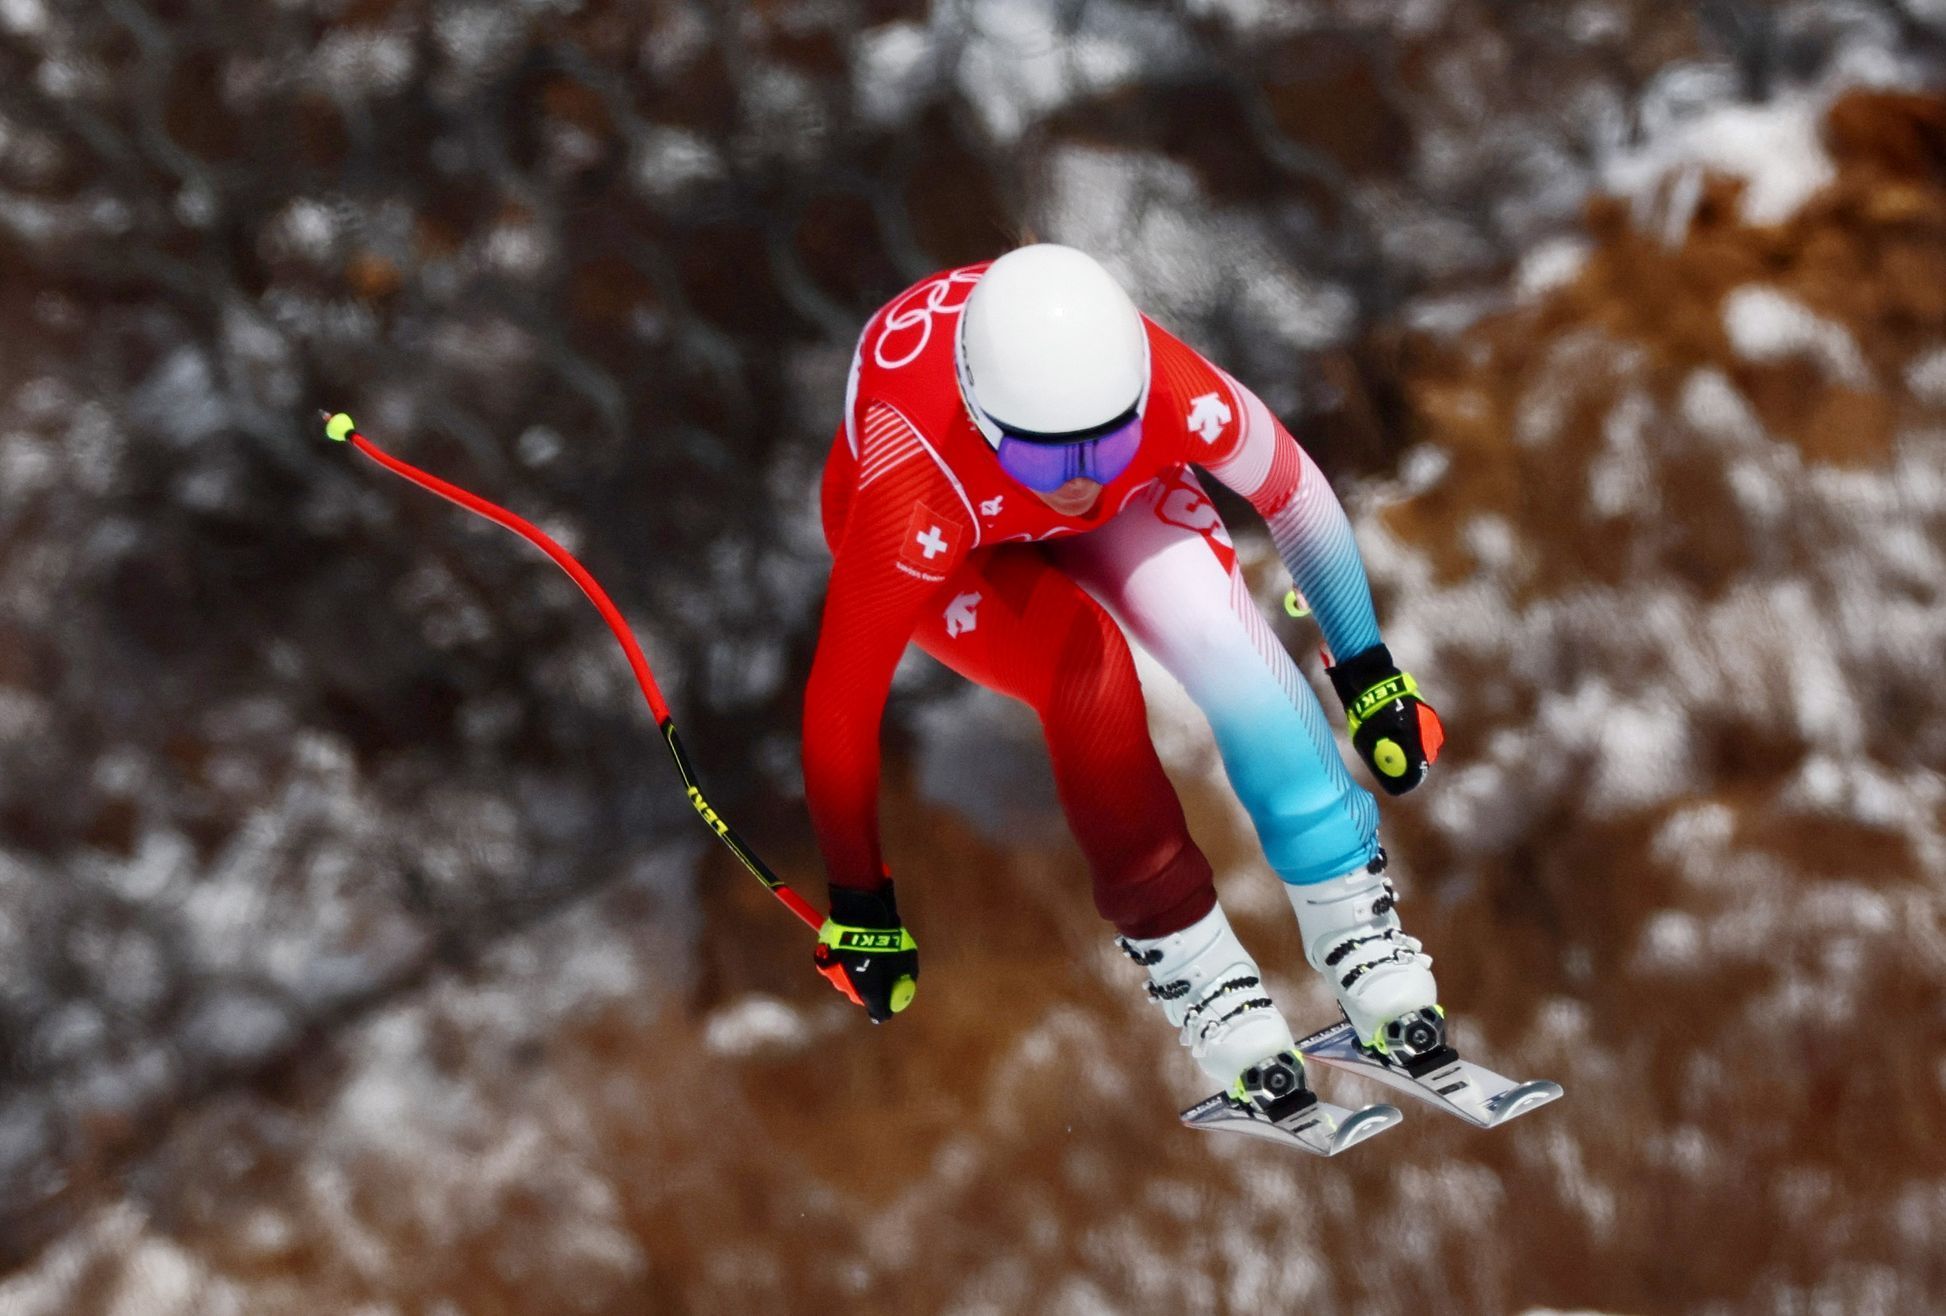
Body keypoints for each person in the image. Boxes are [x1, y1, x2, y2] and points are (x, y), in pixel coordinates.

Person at [803, 244, 1446, 1113]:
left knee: (1218, 633)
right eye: (1048, 461)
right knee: (1087, 669)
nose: (1076, 483)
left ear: (1137, 398)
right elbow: (842, 700)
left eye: (1106, 444)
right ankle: (1196, 968)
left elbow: (1294, 492)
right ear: (985, 421)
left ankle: (1354, 920)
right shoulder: (907, 481)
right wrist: (860, 898)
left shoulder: (1169, 392)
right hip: (956, 535)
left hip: (1101, 492)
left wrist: (1369, 674)